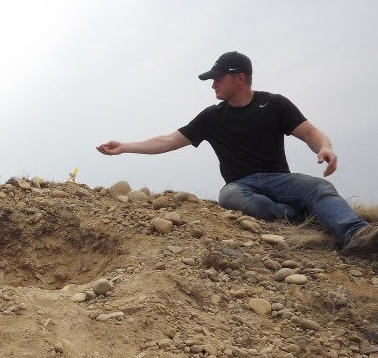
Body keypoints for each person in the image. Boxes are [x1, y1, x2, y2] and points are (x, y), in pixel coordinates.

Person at [96, 51, 378, 256]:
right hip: (241, 185)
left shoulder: (274, 104)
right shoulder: (212, 116)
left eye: (218, 79)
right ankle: (295, 216)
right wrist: (125, 147)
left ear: (239, 78)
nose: (213, 84)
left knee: (319, 186)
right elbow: (169, 141)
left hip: (279, 179)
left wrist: (325, 147)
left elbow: (310, 134)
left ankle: (356, 234)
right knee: (229, 196)